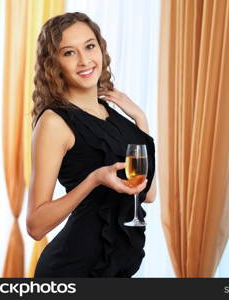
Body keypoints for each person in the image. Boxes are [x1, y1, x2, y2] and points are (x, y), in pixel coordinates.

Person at [26, 12, 156, 277]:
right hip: (72, 269)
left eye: (89, 46)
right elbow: (36, 226)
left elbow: (148, 194)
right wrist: (94, 180)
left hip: (115, 270)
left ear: (100, 48)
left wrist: (140, 119)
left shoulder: (114, 114)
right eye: (69, 53)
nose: (85, 60)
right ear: (54, 63)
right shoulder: (54, 122)